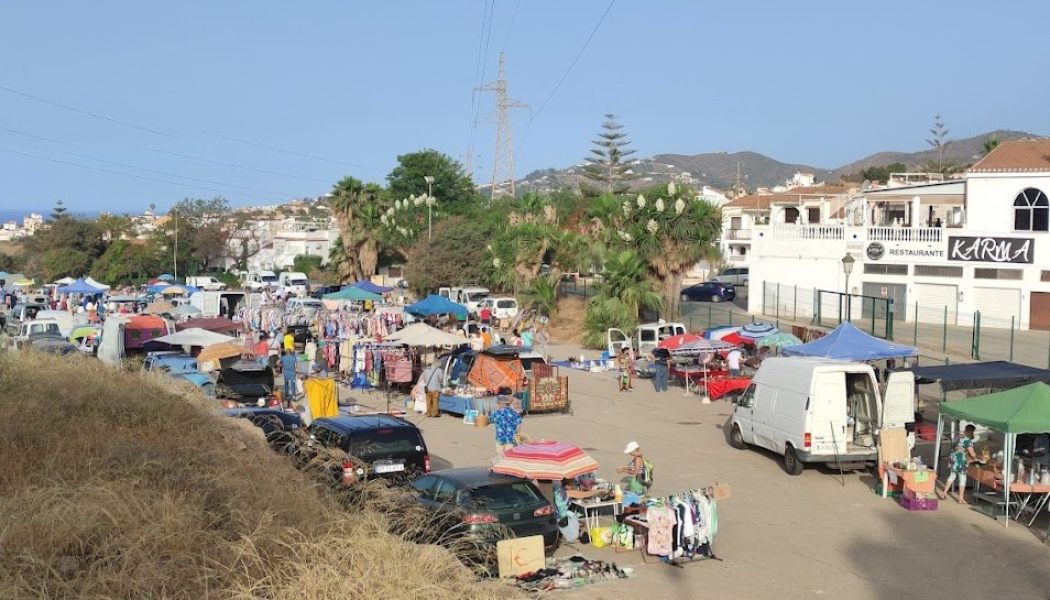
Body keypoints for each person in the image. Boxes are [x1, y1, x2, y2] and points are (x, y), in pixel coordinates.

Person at [940, 424, 977, 504]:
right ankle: (960, 498)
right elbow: (972, 453)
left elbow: (953, 448)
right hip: (961, 461)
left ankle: (944, 493)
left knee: (952, 476)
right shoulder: (968, 441)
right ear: (971, 431)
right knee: (962, 479)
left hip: (954, 459)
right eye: (973, 432)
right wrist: (975, 456)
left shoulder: (959, 438)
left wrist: (950, 460)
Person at [553, 477, 597, 542]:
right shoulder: (566, 493)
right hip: (563, 519)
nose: (573, 486)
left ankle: (573, 535)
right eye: (572, 483)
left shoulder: (559, 491)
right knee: (576, 515)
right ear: (567, 484)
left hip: (558, 518)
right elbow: (584, 495)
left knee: (575, 516)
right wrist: (598, 491)